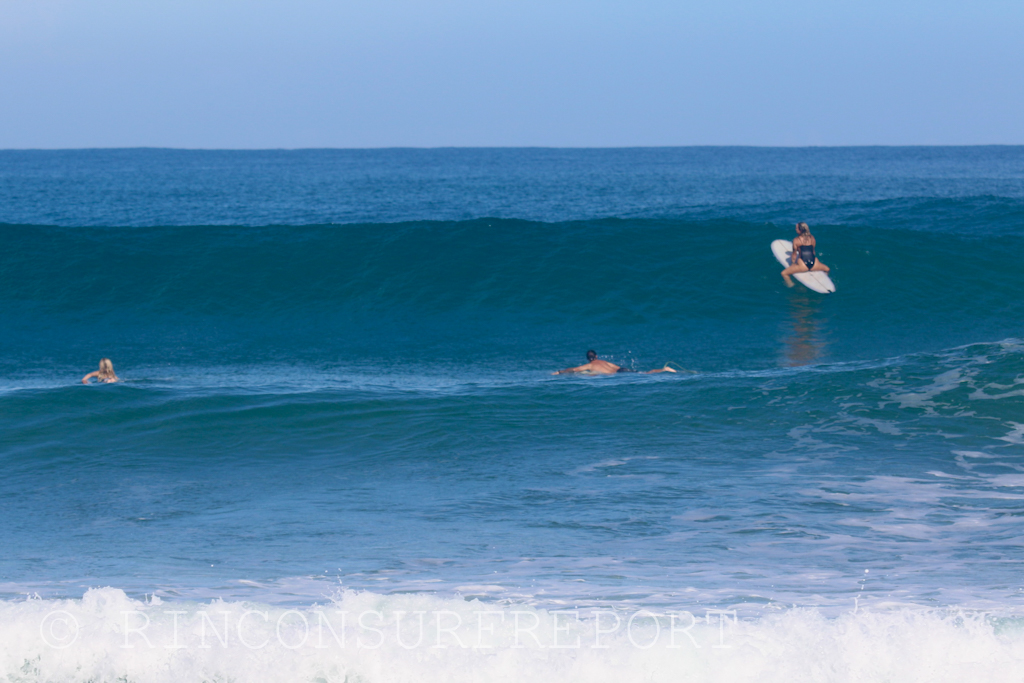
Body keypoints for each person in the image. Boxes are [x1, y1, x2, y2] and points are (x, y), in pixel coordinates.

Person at [781, 222, 830, 287]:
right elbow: (813, 252)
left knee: (784, 273)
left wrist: (793, 264)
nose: (795, 229)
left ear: (800, 230)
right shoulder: (812, 238)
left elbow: (794, 255)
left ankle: (791, 285)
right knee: (827, 269)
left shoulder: (796, 240)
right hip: (814, 264)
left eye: (796, 228)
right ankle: (824, 281)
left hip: (803, 265)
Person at [552, 350, 676, 375]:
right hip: (622, 370)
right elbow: (618, 367)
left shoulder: (589, 365)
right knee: (645, 373)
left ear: (587, 359)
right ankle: (664, 369)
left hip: (618, 375)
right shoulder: (604, 361)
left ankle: (665, 370)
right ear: (596, 356)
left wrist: (559, 372)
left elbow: (574, 369)